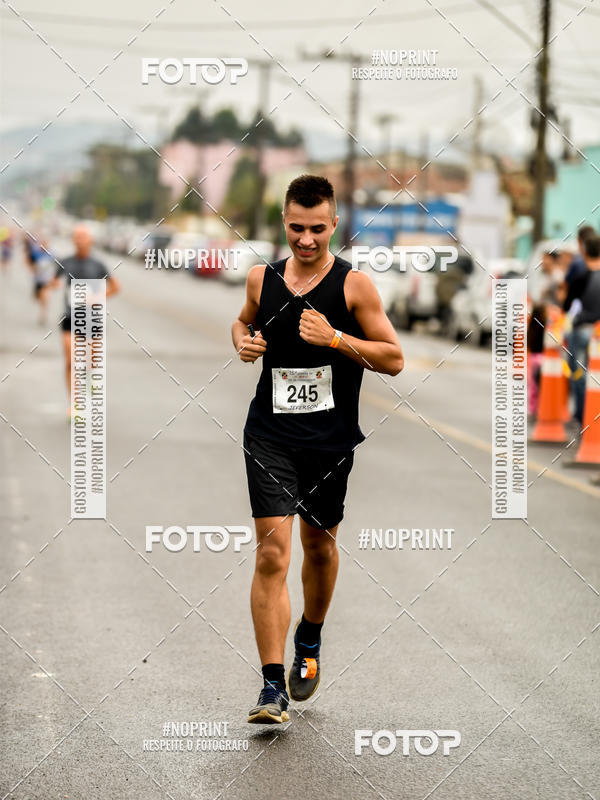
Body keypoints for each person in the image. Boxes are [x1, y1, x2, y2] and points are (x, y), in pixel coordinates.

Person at [231, 175, 404, 724]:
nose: (306, 240)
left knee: (320, 547)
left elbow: (394, 358)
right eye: (296, 228)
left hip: (329, 442)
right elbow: (241, 321)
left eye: (317, 230)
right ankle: (269, 687)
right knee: (273, 553)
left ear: (334, 226)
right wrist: (243, 340)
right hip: (269, 436)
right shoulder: (263, 278)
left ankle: (310, 637)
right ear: (285, 223)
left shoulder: (354, 288)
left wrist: (335, 339)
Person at [48, 224, 120, 417]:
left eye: (84, 237)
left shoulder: (98, 265)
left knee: (92, 363)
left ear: (90, 241)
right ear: (73, 240)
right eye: (77, 237)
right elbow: (53, 281)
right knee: (71, 360)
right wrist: (54, 284)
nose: (80, 240)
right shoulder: (65, 262)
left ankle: (87, 384)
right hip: (70, 317)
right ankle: (74, 404)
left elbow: (115, 287)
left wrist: (97, 298)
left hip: (92, 320)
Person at [563, 234, 600, 425]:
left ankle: (581, 415)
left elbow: (566, 305)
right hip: (598, 332)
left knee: (579, 374)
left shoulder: (581, 277)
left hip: (583, 329)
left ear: (584, 251)